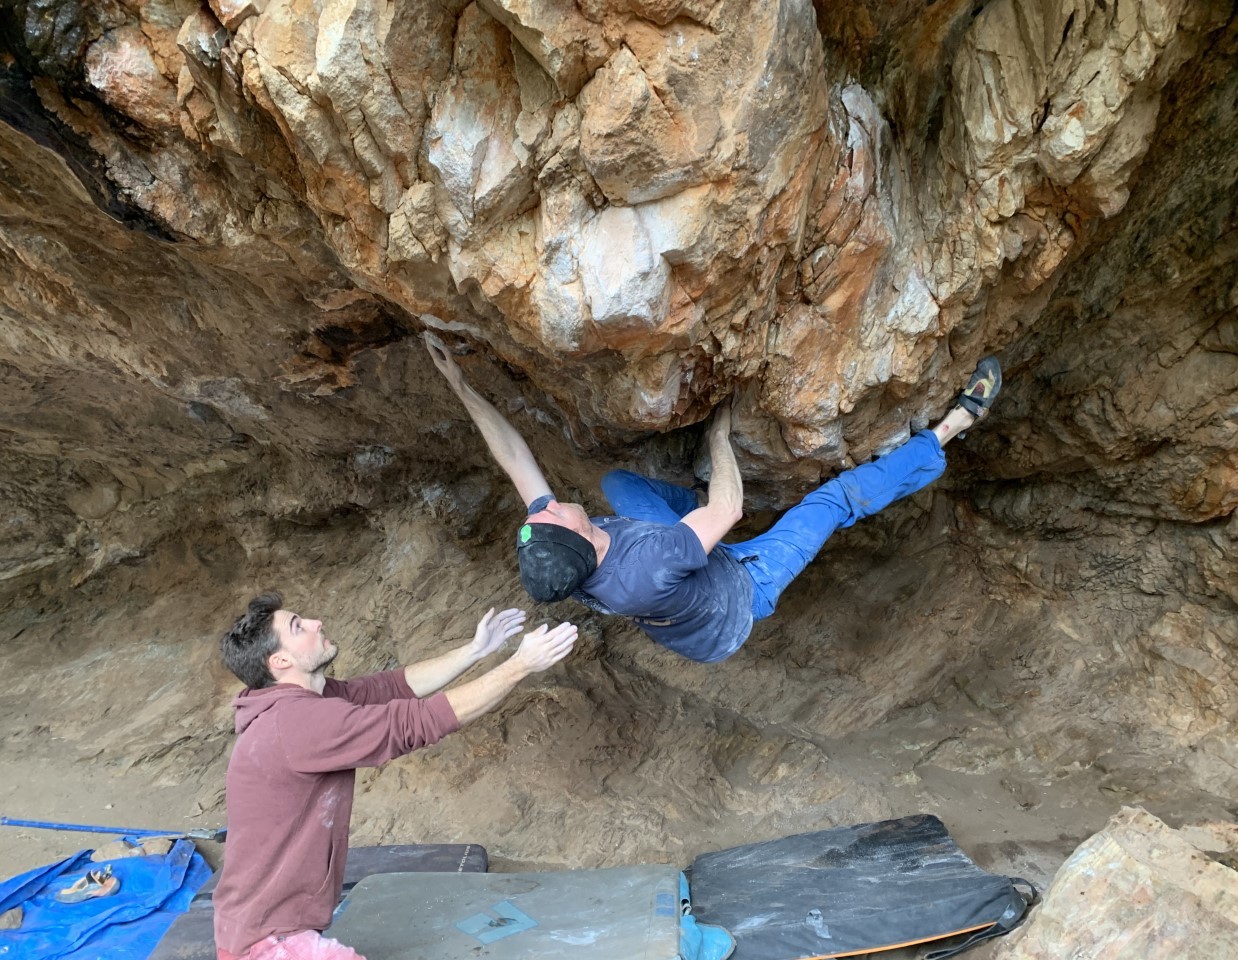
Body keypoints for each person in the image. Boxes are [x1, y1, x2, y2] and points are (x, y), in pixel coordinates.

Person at [428, 339, 1001, 664]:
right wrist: (720, 439)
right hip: (741, 592)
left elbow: (515, 458)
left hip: (682, 566)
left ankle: (695, 517)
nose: (545, 507)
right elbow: (729, 511)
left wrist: (459, 385)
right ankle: (950, 429)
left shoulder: (563, 552)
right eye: (551, 514)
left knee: (619, 486)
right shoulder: (646, 567)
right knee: (831, 501)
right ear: (579, 538)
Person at [212, 595, 577, 960]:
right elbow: (416, 722)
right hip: (267, 942)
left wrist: (475, 650)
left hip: (261, 928)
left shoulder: (301, 703)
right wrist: (519, 666)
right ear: (280, 661)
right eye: (298, 626)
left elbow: (389, 688)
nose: (315, 622)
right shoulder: (297, 723)